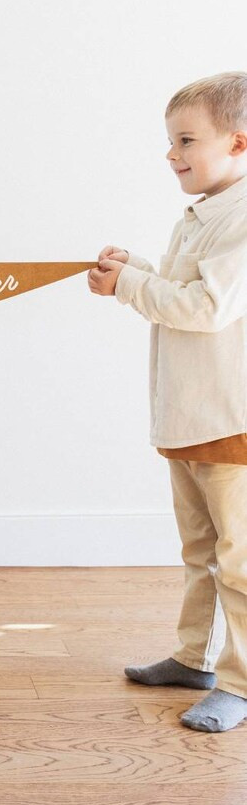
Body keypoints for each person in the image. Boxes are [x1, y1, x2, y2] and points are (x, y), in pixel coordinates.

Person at [89, 71, 247, 731]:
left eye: (187, 139)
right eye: (170, 140)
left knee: (239, 561)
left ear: (239, 143)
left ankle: (239, 683)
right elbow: (182, 292)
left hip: (230, 422)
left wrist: (130, 285)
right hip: (188, 417)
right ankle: (194, 655)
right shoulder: (201, 215)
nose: (172, 153)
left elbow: (208, 308)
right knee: (199, 550)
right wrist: (139, 270)